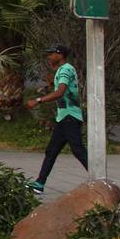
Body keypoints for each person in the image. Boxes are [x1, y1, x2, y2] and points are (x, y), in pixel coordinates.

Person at [26, 44, 87, 193]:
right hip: (63, 118)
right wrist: (51, 83)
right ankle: (40, 183)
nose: (49, 56)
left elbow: (60, 92)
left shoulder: (65, 69)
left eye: (52, 53)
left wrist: (38, 100)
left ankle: (99, 177)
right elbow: (61, 89)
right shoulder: (62, 70)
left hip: (70, 117)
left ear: (60, 55)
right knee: (51, 151)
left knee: (78, 150)